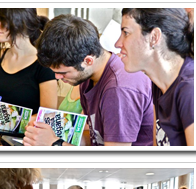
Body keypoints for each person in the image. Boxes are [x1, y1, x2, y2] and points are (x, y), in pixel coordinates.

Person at [25, 14, 154, 146]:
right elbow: (93, 139)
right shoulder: (89, 76)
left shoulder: (118, 89)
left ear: (88, 61)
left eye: (63, 73)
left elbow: (115, 163)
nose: (57, 77)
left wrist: (55, 144)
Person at [115, 8, 195, 146]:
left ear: (154, 37)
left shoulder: (191, 89)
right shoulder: (158, 85)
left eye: (126, 33)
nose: (118, 43)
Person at [0, 9, 57, 116]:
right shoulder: (1, 56)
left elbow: (48, 115)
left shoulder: (43, 64)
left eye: (2, 20)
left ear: (20, 22)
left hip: (28, 133)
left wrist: (13, 122)